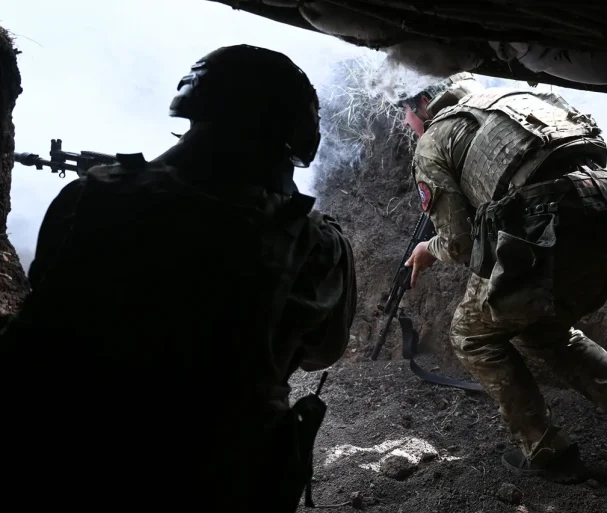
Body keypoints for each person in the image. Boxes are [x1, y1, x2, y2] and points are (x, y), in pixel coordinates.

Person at [0, 45, 356, 512]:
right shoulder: (315, 246)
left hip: (57, 465)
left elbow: (49, 297)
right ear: (292, 138)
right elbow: (322, 351)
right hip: (208, 481)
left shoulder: (84, 198)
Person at [400, 73, 607, 481]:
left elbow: (460, 243)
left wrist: (427, 250)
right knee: (543, 329)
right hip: (604, 211)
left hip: (549, 224)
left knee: (471, 334)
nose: (408, 125)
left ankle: (546, 450)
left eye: (406, 114)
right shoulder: (511, 97)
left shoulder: (435, 139)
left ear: (425, 103)